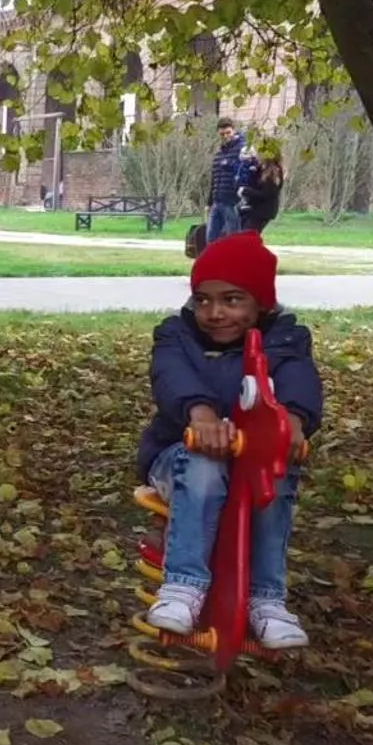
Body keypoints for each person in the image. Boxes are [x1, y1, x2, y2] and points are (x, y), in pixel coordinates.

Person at [139, 231, 321, 650]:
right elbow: (170, 377)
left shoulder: (285, 338)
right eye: (203, 300)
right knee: (203, 465)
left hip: (250, 459)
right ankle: (183, 587)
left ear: (262, 303)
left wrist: (293, 421)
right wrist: (199, 414)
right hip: (177, 455)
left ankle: (267, 599)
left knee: (275, 478)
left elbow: (299, 380)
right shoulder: (175, 335)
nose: (215, 312)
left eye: (232, 300)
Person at [205, 118, 257, 246]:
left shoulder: (243, 148)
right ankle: (213, 265)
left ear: (233, 130)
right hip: (218, 200)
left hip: (233, 201)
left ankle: (233, 265)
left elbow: (250, 172)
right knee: (211, 239)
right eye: (222, 134)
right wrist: (210, 201)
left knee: (233, 239)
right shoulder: (219, 152)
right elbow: (214, 178)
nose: (226, 136)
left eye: (228, 133)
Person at [238, 149, 285, 233]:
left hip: (263, 210)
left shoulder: (273, 172)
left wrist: (246, 191)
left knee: (248, 234)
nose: (258, 156)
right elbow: (254, 184)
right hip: (255, 208)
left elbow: (266, 194)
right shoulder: (261, 168)